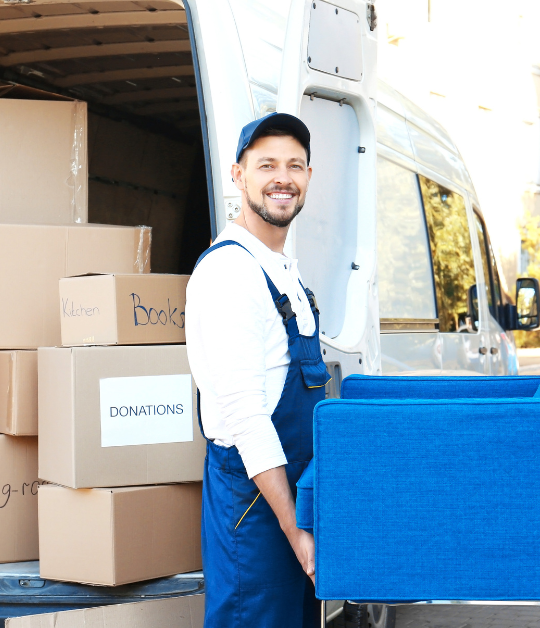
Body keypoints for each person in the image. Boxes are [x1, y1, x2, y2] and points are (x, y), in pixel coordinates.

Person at [185, 112, 329, 628]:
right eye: (266, 164)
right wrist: (296, 533)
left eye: (295, 164)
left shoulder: (281, 268)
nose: (282, 177)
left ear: (309, 177)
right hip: (255, 503)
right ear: (238, 174)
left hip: (289, 497)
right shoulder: (230, 273)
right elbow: (247, 418)